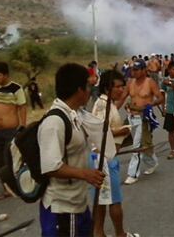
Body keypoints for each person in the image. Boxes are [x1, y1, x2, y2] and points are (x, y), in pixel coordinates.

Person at [38, 63, 108, 236]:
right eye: (88, 86)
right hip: (62, 209)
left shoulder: (75, 115)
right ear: (79, 90)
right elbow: (51, 166)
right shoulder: (54, 123)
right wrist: (86, 174)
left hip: (79, 204)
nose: (90, 90)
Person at [91, 70, 138, 237]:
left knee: (102, 200)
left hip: (106, 157)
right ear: (106, 88)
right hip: (103, 158)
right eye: (117, 87)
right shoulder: (103, 105)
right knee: (114, 200)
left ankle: (100, 233)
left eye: (122, 86)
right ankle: (120, 234)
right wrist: (122, 131)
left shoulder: (109, 104)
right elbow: (99, 132)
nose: (121, 90)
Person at [119, 59, 164, 185]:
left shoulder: (150, 82)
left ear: (144, 70)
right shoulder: (130, 83)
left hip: (143, 118)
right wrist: (110, 110)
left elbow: (160, 97)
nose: (134, 72)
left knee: (137, 147)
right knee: (143, 144)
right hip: (131, 117)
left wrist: (151, 104)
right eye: (133, 69)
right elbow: (122, 98)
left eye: (137, 69)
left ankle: (132, 174)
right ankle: (153, 162)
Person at [0, 62, 27, 200]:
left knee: (9, 159)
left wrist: (22, 126)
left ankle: (16, 186)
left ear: (6, 75)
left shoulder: (16, 88)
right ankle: (6, 189)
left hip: (11, 130)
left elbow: (22, 107)